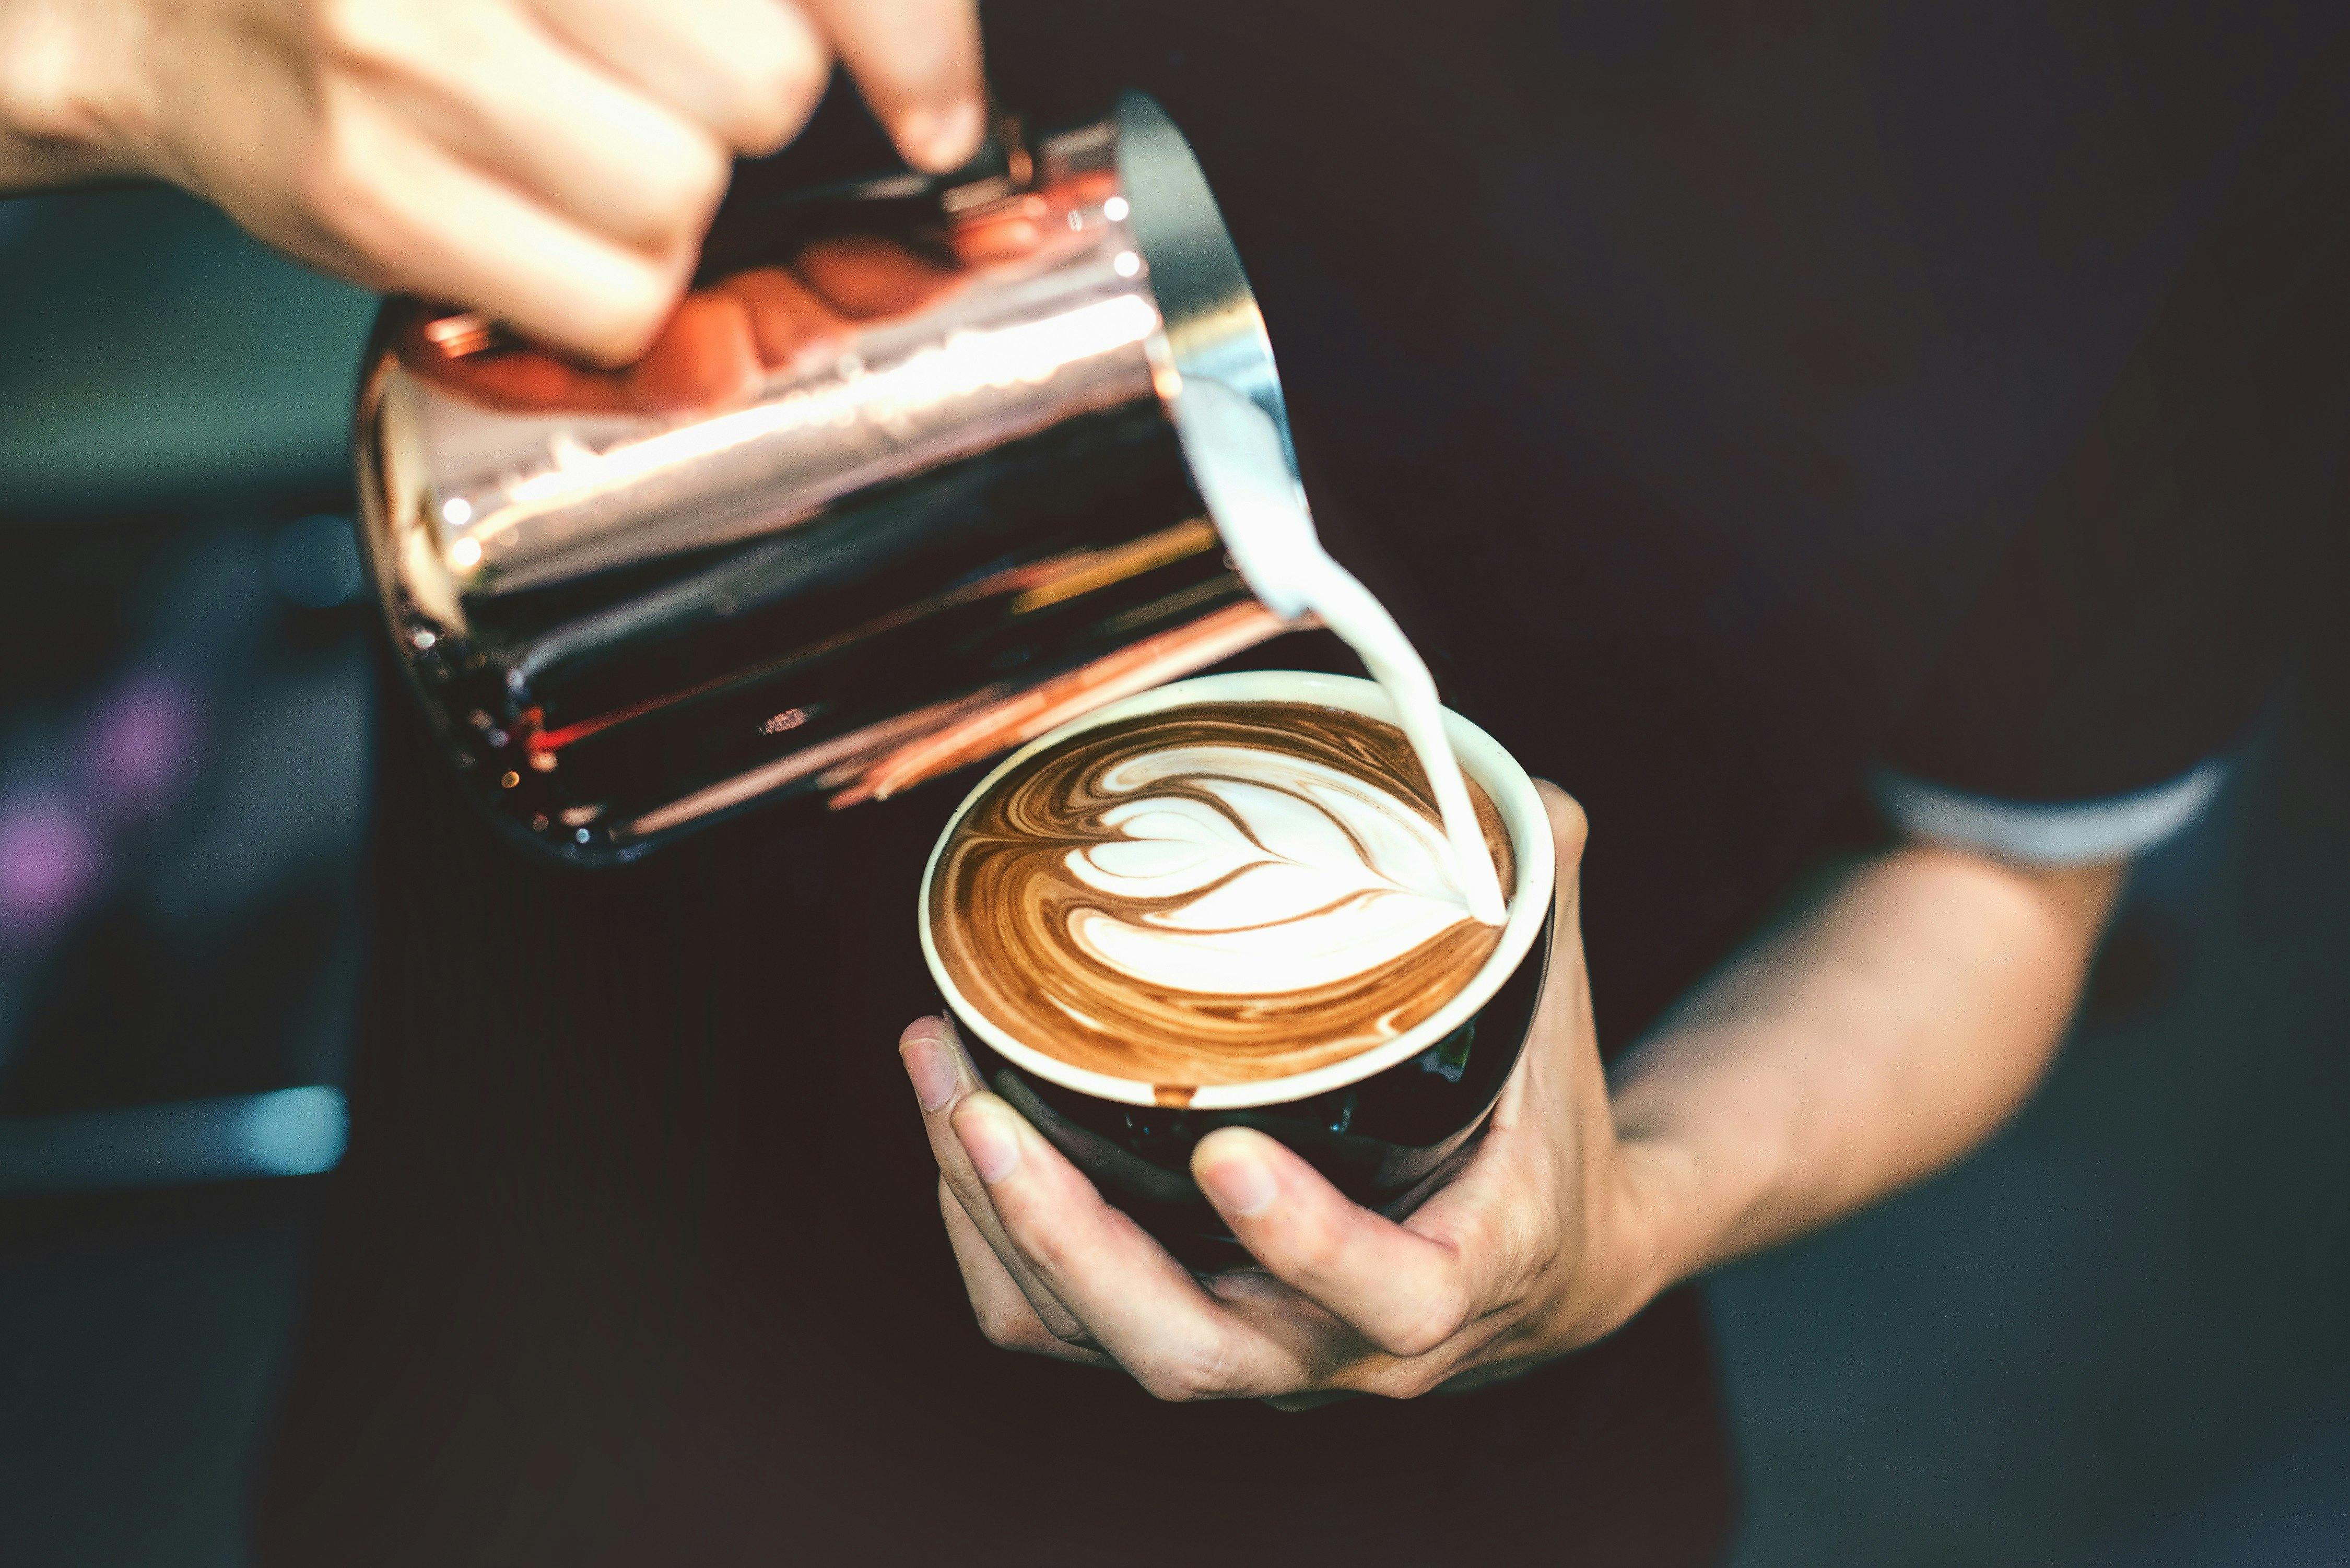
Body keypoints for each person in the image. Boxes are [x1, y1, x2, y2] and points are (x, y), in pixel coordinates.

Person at [4, 2, 2342, 1563]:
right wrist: (121, 53)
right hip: (573, 1301)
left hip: (1487, 1436)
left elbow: (2001, 877)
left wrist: (1638, 1207)